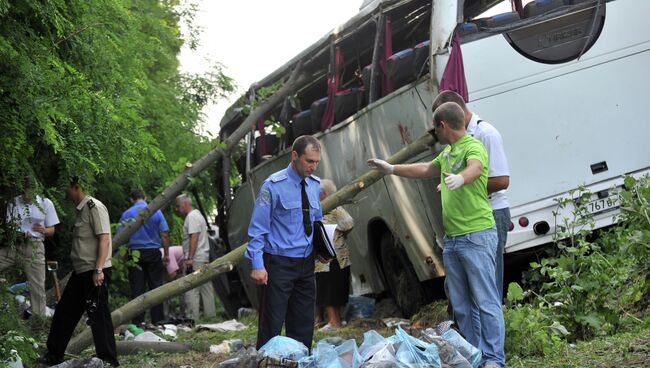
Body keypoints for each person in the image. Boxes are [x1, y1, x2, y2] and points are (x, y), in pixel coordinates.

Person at [367, 102, 505, 368]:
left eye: (435, 127)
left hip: (476, 235)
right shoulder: (449, 152)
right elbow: (425, 169)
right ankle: (473, 355)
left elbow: (476, 167)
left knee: (486, 300)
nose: (434, 134)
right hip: (454, 240)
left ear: (442, 125)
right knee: (462, 303)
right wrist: (391, 169)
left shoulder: (472, 145)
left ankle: (495, 359)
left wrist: (462, 179)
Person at [246, 135, 323, 350]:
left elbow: (316, 222)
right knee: (272, 323)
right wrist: (257, 264)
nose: (313, 167)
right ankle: (267, 361)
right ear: (295, 156)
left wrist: (323, 248)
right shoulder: (272, 186)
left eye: (317, 162)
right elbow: (258, 228)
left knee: (304, 322)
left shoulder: (314, 185)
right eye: (309, 161)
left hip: (306, 263)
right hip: (278, 262)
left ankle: (298, 361)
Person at [431, 91, 510, 300]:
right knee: (465, 288)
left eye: (438, 124)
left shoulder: (485, 134)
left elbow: (502, 180)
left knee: (488, 285)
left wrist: (461, 185)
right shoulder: (456, 142)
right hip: (467, 220)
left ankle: (495, 331)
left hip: (491, 213)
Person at [40, 177, 119, 366]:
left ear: (76, 187)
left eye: (66, 188)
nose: (64, 193)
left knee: (98, 314)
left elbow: (105, 239)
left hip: (95, 271)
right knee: (65, 312)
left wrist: (99, 269)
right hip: (81, 271)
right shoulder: (81, 209)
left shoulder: (94, 206)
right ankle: (53, 355)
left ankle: (108, 360)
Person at [1, 176, 59, 316]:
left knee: (37, 286)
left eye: (31, 192)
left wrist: (44, 230)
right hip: (15, 244)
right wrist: (17, 232)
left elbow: (52, 230)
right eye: (26, 192)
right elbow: (8, 227)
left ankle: (38, 319)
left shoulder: (46, 203)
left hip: (35, 246)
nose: (28, 195)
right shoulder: (14, 203)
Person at [116, 189, 169, 325]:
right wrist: (166, 254)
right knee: (156, 287)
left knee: (137, 288)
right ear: (145, 197)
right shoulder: (156, 211)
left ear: (131, 199)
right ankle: (158, 320)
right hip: (153, 252)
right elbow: (164, 234)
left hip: (135, 254)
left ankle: (138, 321)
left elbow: (119, 237)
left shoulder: (127, 214)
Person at [315, 179, 354, 331]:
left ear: (324, 194)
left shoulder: (333, 208)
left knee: (330, 288)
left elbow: (348, 223)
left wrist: (338, 235)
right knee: (327, 288)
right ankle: (335, 320)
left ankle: (334, 321)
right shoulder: (319, 208)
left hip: (333, 255)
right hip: (325, 256)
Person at [174, 194, 216, 320]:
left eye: (178, 206)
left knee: (191, 288)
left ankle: (192, 319)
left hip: (195, 259)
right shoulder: (198, 215)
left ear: (185, 204)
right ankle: (211, 316)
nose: (177, 209)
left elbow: (194, 237)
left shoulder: (191, 217)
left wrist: (189, 258)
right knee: (206, 288)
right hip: (203, 256)